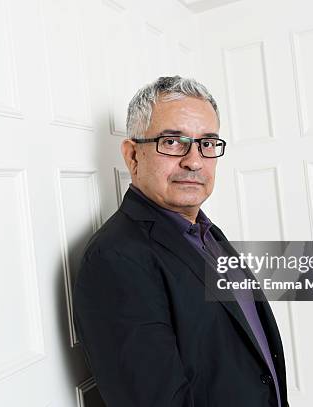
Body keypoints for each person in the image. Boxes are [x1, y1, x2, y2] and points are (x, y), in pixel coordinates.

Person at [73, 76, 289, 407]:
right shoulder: (116, 258)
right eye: (173, 142)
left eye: (207, 143)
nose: (194, 160)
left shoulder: (206, 232)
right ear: (133, 156)